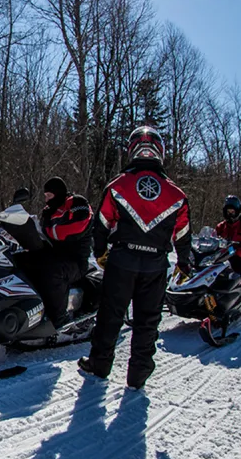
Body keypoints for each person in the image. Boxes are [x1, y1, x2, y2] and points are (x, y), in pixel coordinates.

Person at [78, 126, 191, 390]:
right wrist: (184, 262)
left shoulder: (118, 185)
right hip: (155, 265)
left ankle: (100, 364)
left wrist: (100, 252)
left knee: (110, 316)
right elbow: (183, 234)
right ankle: (138, 376)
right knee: (147, 321)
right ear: (160, 153)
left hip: (122, 260)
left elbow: (102, 223)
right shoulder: (177, 194)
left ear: (132, 150)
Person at [20, 177, 93, 329]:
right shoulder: (48, 211)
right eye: (45, 196)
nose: (46, 200)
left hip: (76, 261)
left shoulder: (77, 203)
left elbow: (77, 227)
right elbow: (42, 230)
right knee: (21, 260)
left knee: (53, 271)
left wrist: (49, 231)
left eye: (49, 196)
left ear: (58, 193)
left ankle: (60, 320)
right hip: (54, 256)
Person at [215, 195, 241, 282]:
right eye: (228, 212)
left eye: (232, 211)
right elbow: (213, 238)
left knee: (238, 268)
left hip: (237, 257)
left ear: (237, 212)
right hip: (221, 255)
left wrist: (236, 251)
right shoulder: (221, 226)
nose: (230, 214)